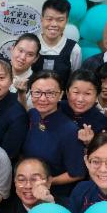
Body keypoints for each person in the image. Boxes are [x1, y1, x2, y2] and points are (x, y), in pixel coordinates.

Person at [21, 70, 85, 198]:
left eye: (50, 93)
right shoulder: (32, 115)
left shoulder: (70, 130)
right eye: (37, 92)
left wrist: (48, 182)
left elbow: (77, 173)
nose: (42, 98)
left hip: (53, 195)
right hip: (26, 189)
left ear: (60, 95)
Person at [34, 0, 82, 86]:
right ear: (42, 19)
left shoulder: (74, 49)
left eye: (60, 20)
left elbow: (74, 81)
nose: (54, 24)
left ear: (66, 21)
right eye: (49, 19)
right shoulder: (31, 44)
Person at [61, 69, 107, 143]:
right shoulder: (55, 109)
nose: (80, 99)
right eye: (76, 92)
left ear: (96, 96)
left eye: (87, 93)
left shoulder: (101, 122)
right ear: (67, 93)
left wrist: (90, 144)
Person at [8, 33, 41, 103]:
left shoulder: (37, 84)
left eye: (30, 54)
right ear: (12, 49)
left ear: (36, 58)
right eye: (20, 51)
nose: (22, 57)